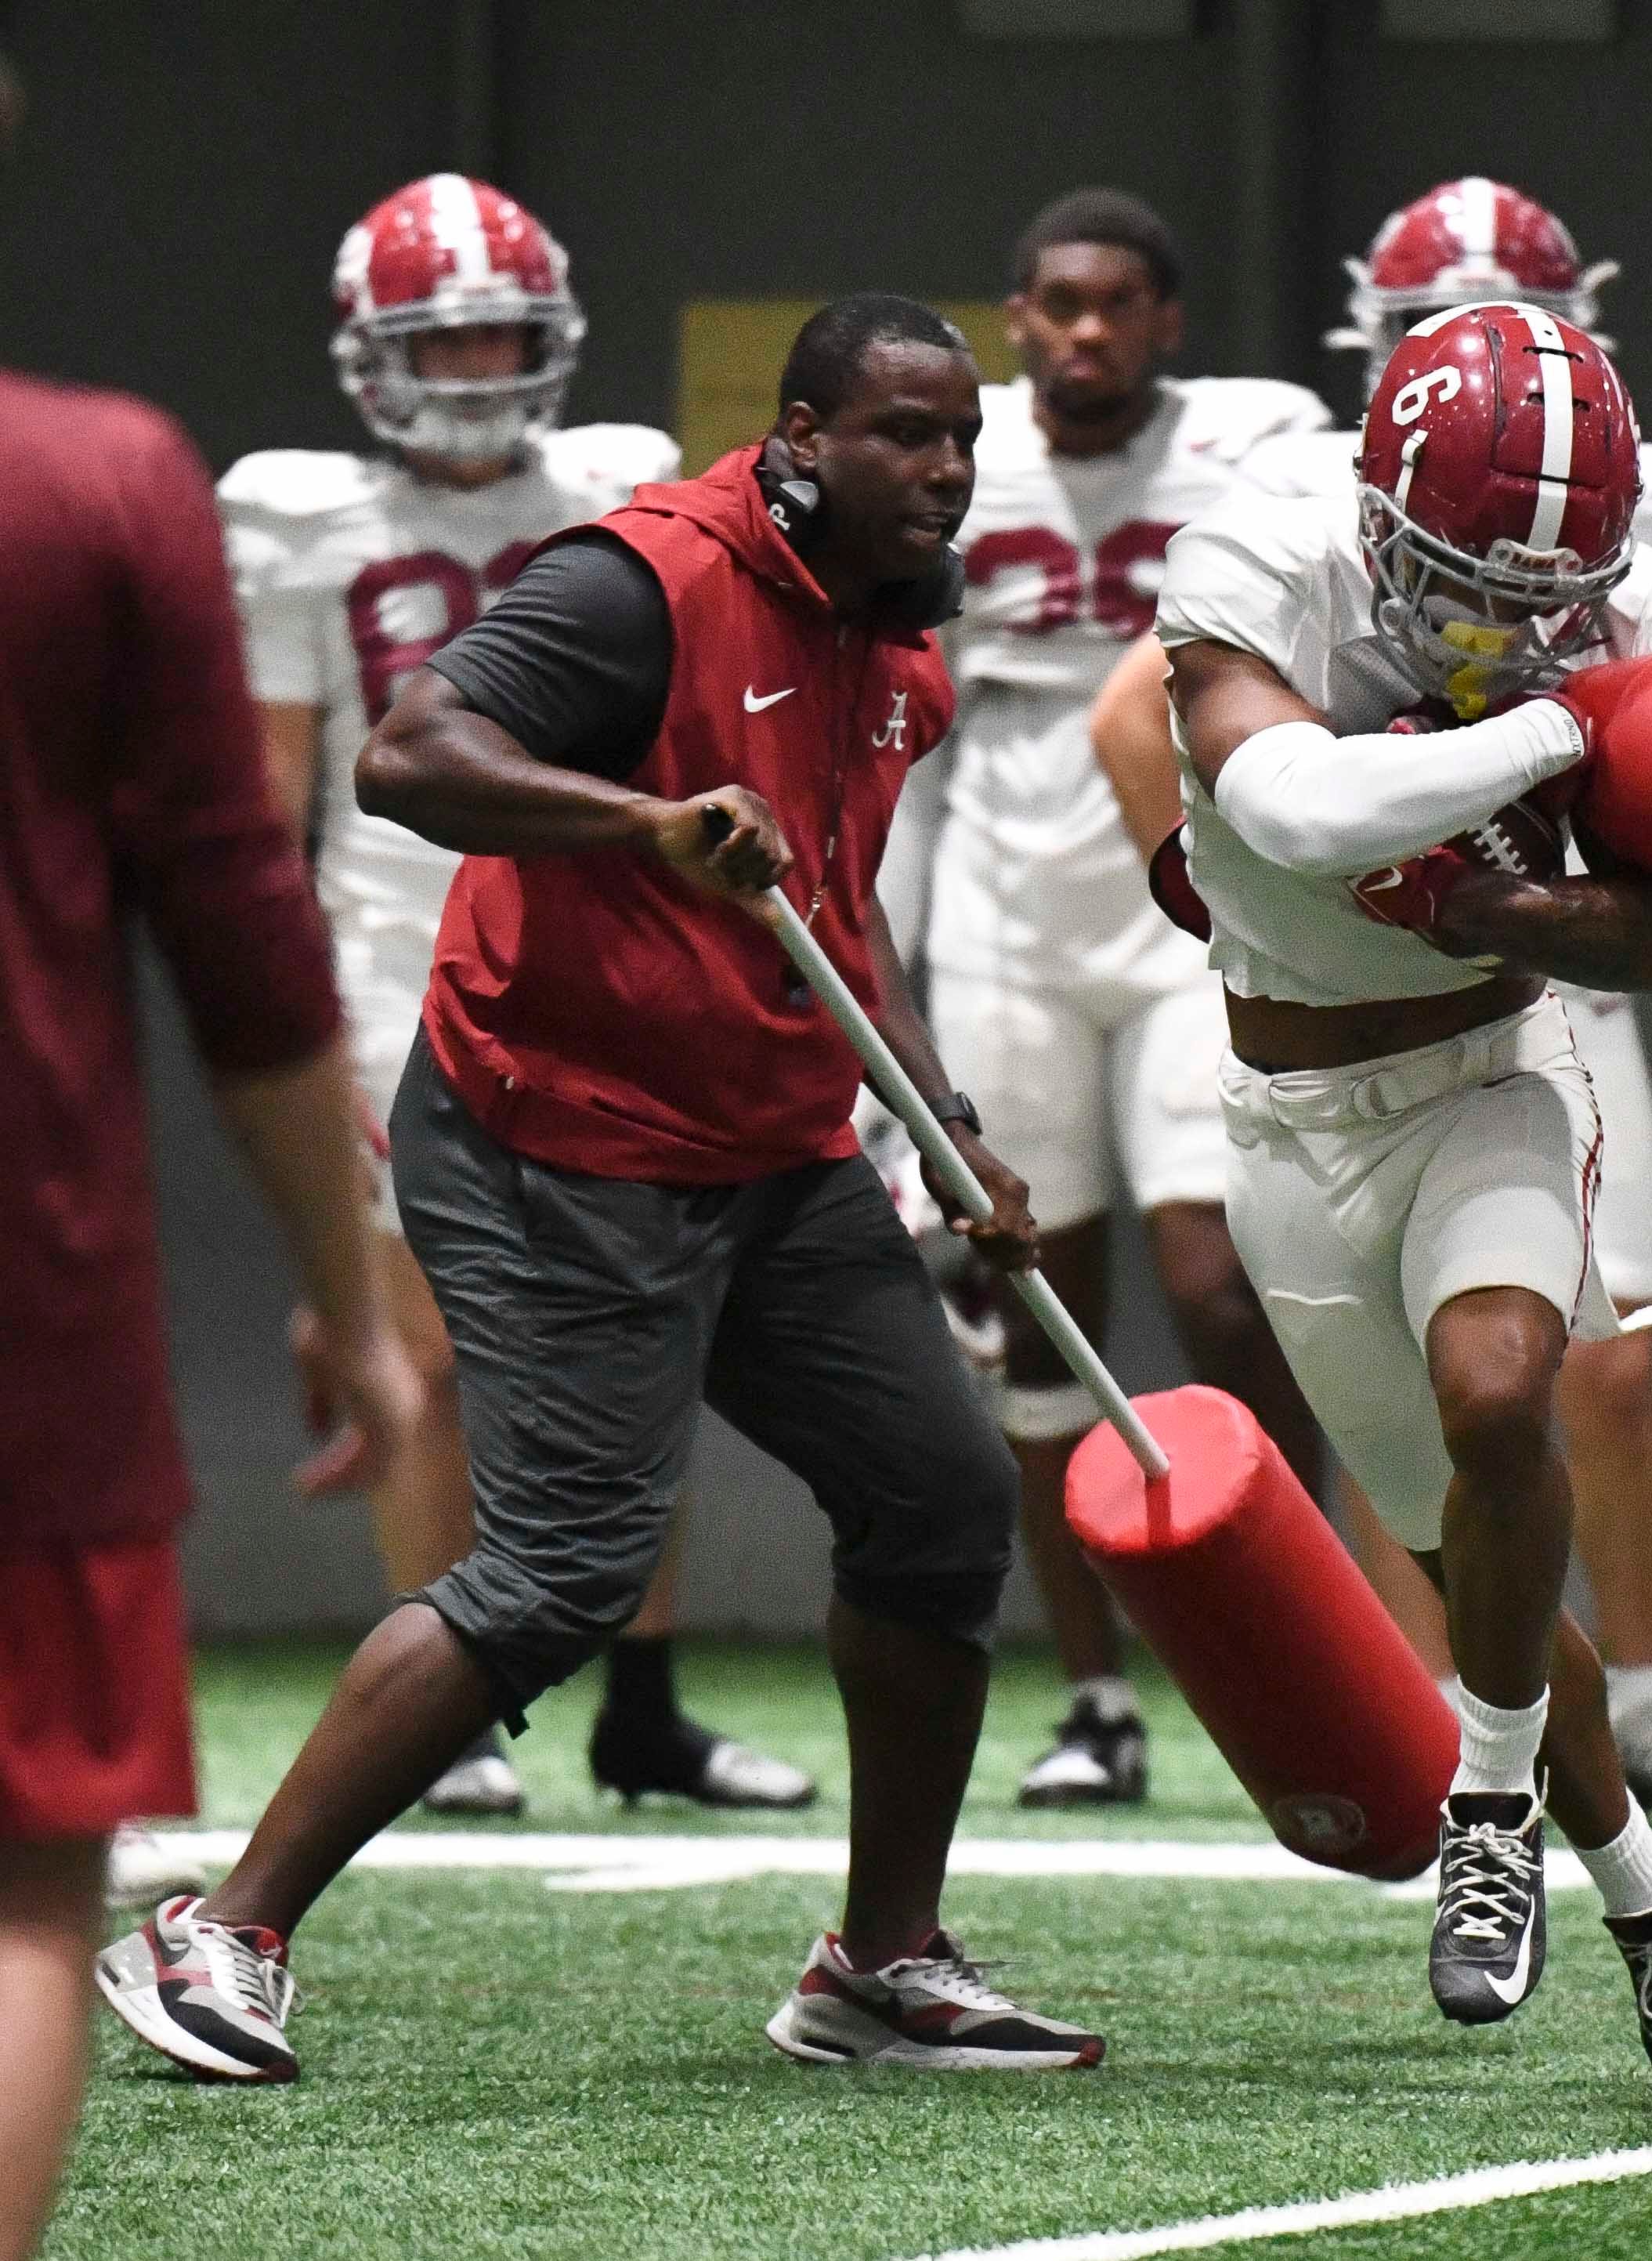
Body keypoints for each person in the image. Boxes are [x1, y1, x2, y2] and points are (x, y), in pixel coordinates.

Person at [95, 296, 1101, 2085]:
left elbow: (841, 920)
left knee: (942, 1507)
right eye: (902, 436)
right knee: (565, 1563)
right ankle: (217, 1929)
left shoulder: (894, 645)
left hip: (777, 1149)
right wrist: (642, 819)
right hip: (554, 1135)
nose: (945, 471)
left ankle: (879, 1965)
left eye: (963, 441)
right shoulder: (639, 583)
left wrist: (947, 1129)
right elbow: (409, 756)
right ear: (797, 439)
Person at [1090, 175, 1652, 1832]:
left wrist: (1571, 874)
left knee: (1588, 1373)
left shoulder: (1639, 522)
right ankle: (1456, 1710)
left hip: (1529, 976)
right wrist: (1202, 868)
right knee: (1414, 1424)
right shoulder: (1282, 519)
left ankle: (1643, 1700)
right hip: (1339, 970)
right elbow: (1176, 735)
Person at [1151, 299, 1652, 2088]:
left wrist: (1501, 911)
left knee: (1505, 1397)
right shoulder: (1253, 557)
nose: (1518, 627)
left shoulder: (1625, 603)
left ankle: (1489, 1806)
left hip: (1496, 1071)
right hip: (1288, 1120)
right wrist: (1559, 738)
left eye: (1555, 593)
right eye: (1472, 582)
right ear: (1376, 504)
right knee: (1466, 1560)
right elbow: (1308, 811)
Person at [222, 172, 809, 1823]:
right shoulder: (291, 515)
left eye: (500, 337)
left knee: (648, 1329)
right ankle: (459, 1718)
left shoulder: (620, 482)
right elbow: (275, 805)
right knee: (425, 1340)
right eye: (445, 340)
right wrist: (305, 1023)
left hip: (595, 941)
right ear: (369, 350)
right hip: (391, 953)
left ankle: (643, 1709)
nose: (478, 371)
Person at [0, 277, 421, 2261]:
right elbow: (245, 934)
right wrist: (353, 1302)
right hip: (26, 1311)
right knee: (15, 1902)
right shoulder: (92, 481)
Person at [912, 186, 1336, 1810]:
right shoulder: (954, 443)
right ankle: (1094, 1691)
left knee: (1220, 1282)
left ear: (1168, 320)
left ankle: (1278, 1625)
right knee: (1038, 1301)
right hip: (1005, 895)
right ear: (1017, 315)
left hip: (1182, 891)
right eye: (1055, 303)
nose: (1084, 331)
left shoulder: (1255, 440)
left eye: (1116, 305)